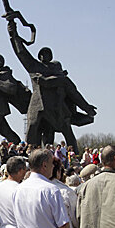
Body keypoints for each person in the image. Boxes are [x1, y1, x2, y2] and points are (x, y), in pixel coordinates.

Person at [7, 22, 97, 153]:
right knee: (33, 130)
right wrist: (12, 34)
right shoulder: (34, 67)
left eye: (47, 53)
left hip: (56, 108)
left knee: (66, 133)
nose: (45, 56)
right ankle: (28, 156)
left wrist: (87, 108)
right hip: (37, 107)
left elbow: (74, 94)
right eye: (42, 54)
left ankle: (74, 156)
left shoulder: (61, 78)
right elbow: (21, 52)